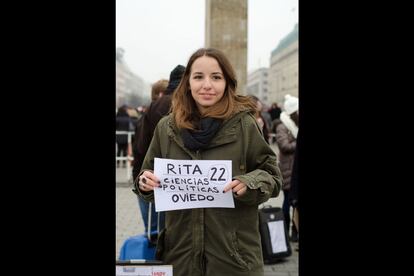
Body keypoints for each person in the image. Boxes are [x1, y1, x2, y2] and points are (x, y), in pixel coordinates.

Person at [133, 47, 282, 276]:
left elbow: (272, 175)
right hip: (180, 256)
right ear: (188, 82)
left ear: (227, 82)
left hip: (234, 259)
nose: (207, 85)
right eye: (198, 76)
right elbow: (147, 175)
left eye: (216, 77)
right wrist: (145, 183)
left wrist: (249, 182)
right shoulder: (166, 127)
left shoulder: (245, 124)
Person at [132, 65, 185, 235]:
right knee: (167, 234)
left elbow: (140, 146)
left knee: (154, 233)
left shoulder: (153, 106)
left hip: (146, 175)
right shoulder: (182, 104)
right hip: (168, 180)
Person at [275, 94, 299, 242]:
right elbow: (283, 146)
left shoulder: (295, 125)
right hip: (287, 169)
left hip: (295, 169)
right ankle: (284, 231)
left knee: (296, 203)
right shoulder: (282, 126)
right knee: (287, 202)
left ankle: (294, 232)